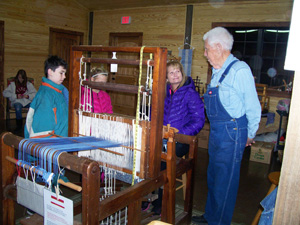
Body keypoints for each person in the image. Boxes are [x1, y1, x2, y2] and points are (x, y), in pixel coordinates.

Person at [192, 27, 261, 225]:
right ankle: (210, 216)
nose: (204, 54)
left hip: (232, 132)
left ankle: (219, 222)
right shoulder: (217, 71)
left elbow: (253, 106)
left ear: (218, 47)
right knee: (213, 176)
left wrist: (250, 134)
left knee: (226, 181)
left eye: (206, 49)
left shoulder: (240, 70)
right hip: (217, 132)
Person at [149, 60, 205, 215]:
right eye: (171, 72)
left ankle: (161, 201)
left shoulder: (190, 93)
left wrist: (180, 133)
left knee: (161, 159)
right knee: (146, 153)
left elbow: (199, 120)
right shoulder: (163, 92)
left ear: (182, 73)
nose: (175, 75)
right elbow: (153, 113)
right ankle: (150, 196)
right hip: (163, 137)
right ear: (166, 77)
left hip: (181, 140)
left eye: (177, 71)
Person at [24, 55, 68, 138]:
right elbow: (42, 129)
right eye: (61, 73)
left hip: (61, 140)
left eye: (65, 73)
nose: (64, 76)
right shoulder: (45, 95)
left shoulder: (58, 91)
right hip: (53, 144)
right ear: (50, 72)